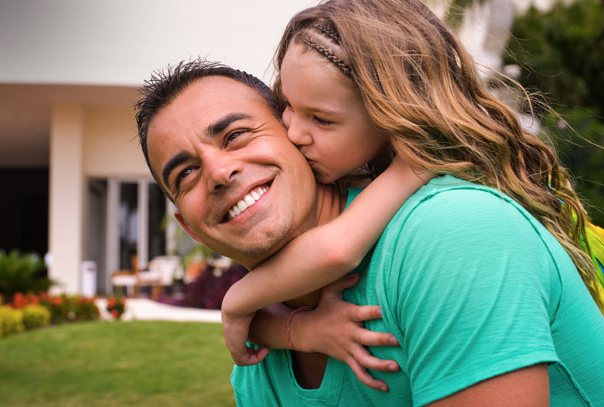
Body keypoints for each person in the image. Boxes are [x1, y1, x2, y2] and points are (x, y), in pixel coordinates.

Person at [135, 2, 604, 405]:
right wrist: (279, 325)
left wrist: (237, 302)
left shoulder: (447, 220)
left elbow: (337, 249)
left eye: (237, 135)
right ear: (189, 227)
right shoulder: (257, 367)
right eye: (186, 173)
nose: (219, 173)